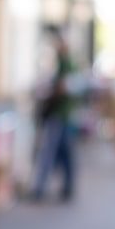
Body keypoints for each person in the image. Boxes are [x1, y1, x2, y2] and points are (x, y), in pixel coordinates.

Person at [31, 34, 78, 201]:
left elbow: (63, 88)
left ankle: (40, 189)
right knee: (64, 153)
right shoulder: (64, 65)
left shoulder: (66, 65)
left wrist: (48, 94)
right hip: (63, 115)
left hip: (59, 115)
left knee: (49, 152)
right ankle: (66, 187)